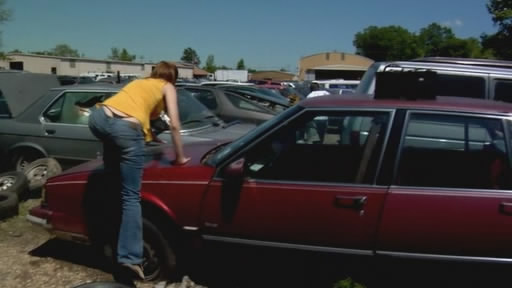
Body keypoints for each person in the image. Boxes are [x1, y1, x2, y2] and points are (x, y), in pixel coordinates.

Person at [87, 61, 190, 286]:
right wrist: (180, 157)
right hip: (123, 129)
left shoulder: (141, 83)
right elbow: (174, 124)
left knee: (113, 181)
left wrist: (149, 136)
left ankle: (110, 234)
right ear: (172, 77)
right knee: (131, 196)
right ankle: (130, 257)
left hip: (98, 119)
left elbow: (137, 114)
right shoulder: (167, 86)